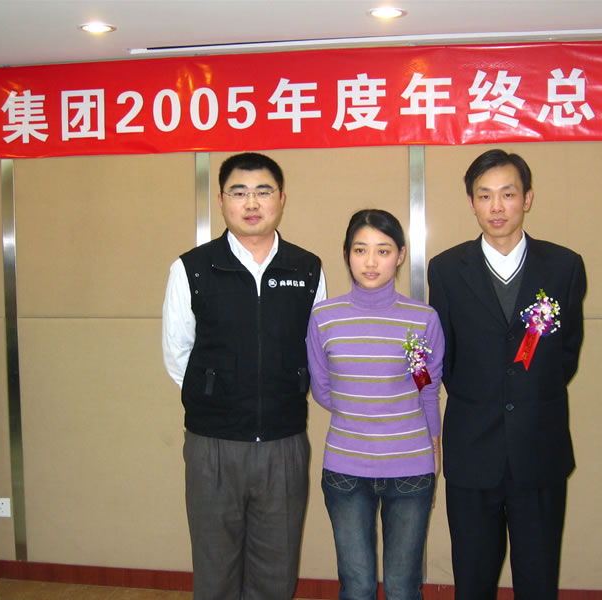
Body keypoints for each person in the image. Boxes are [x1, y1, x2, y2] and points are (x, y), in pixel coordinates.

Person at [161, 152, 326, 600]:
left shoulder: (307, 268)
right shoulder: (192, 268)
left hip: (283, 444)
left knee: (276, 570)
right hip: (212, 446)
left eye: (262, 191)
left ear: (281, 198)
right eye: (239, 192)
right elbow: (177, 354)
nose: (251, 203)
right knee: (215, 568)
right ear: (221, 201)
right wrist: (218, 398)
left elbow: (315, 348)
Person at [428, 149, 587, 599]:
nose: (496, 207)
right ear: (471, 202)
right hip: (473, 451)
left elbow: (566, 354)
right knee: (473, 581)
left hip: (539, 449)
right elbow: (445, 358)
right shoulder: (446, 269)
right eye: (484, 196)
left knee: (538, 581)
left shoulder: (563, 266)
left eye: (507, 194)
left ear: (527, 198)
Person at [306, 209, 445, 600]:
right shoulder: (324, 318)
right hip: (346, 470)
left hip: (411, 468)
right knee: (357, 586)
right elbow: (323, 388)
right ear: (346, 254)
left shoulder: (421, 319)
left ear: (400, 255)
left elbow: (426, 389)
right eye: (360, 250)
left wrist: (434, 450)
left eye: (383, 251)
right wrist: (364, 411)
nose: (370, 262)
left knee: (402, 587)